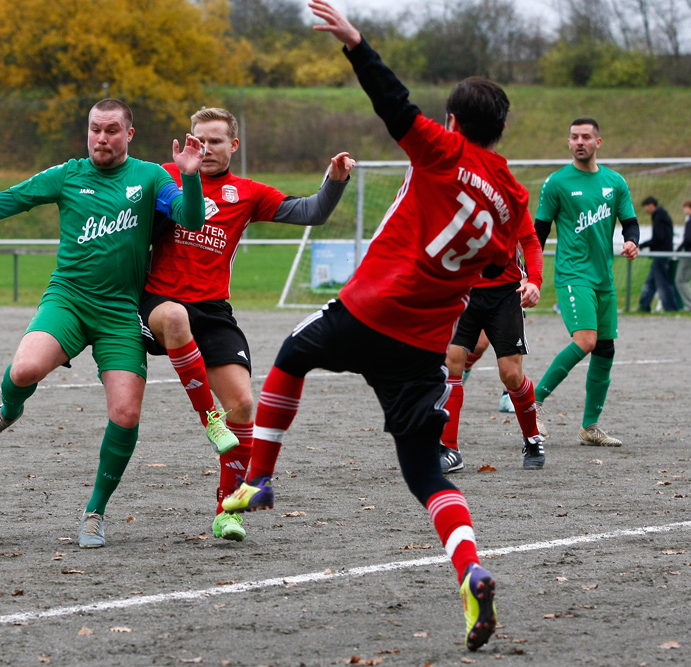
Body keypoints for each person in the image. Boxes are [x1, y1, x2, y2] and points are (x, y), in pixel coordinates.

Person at [223, 1, 530, 651]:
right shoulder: (512, 197)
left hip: (373, 309)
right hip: (423, 345)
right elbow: (500, 262)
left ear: (454, 122)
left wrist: (357, 44)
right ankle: (470, 569)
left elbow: (393, 105)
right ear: (502, 131)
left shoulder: (444, 150)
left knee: (291, 354)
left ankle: (260, 475)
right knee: (428, 476)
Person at [0, 98, 207, 549]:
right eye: (94, 129)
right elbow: (7, 201)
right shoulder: (68, 175)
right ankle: (9, 410)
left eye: (111, 130)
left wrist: (189, 174)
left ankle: (95, 510)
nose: (101, 138)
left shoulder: (150, 177)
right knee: (24, 371)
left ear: (129, 134)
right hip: (67, 300)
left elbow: (190, 219)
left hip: (119, 312)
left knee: (125, 414)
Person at [140, 106, 354, 542]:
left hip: (214, 310)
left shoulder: (248, 193)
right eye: (200, 141)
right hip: (160, 303)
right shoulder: (164, 176)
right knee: (175, 318)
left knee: (243, 405)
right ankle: (208, 420)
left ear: (233, 146)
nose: (207, 149)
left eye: (216, 141)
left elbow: (311, 212)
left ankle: (228, 510)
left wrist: (335, 181)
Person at [532, 118, 639, 447]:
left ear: (598, 142)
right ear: (569, 143)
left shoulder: (614, 182)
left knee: (605, 349)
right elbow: (538, 232)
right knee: (586, 341)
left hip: (603, 278)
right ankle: (530, 403)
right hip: (572, 274)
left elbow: (630, 222)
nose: (580, 141)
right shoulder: (557, 183)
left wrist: (632, 241)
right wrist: (529, 272)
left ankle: (590, 427)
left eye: (586, 137)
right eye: (574, 137)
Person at [439, 217, 544, 474]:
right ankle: (450, 449)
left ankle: (532, 439)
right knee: (452, 362)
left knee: (511, 375)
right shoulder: (455, 191)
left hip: (506, 294)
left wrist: (535, 281)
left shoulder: (509, 193)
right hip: (465, 290)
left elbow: (530, 240)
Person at [637, 196, 678, 313]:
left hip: (661, 253)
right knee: (652, 281)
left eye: (645, 207)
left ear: (651, 205)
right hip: (662, 252)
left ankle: (671, 308)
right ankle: (644, 306)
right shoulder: (662, 214)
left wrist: (645, 245)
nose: (645, 210)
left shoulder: (659, 216)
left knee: (662, 282)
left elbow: (659, 237)